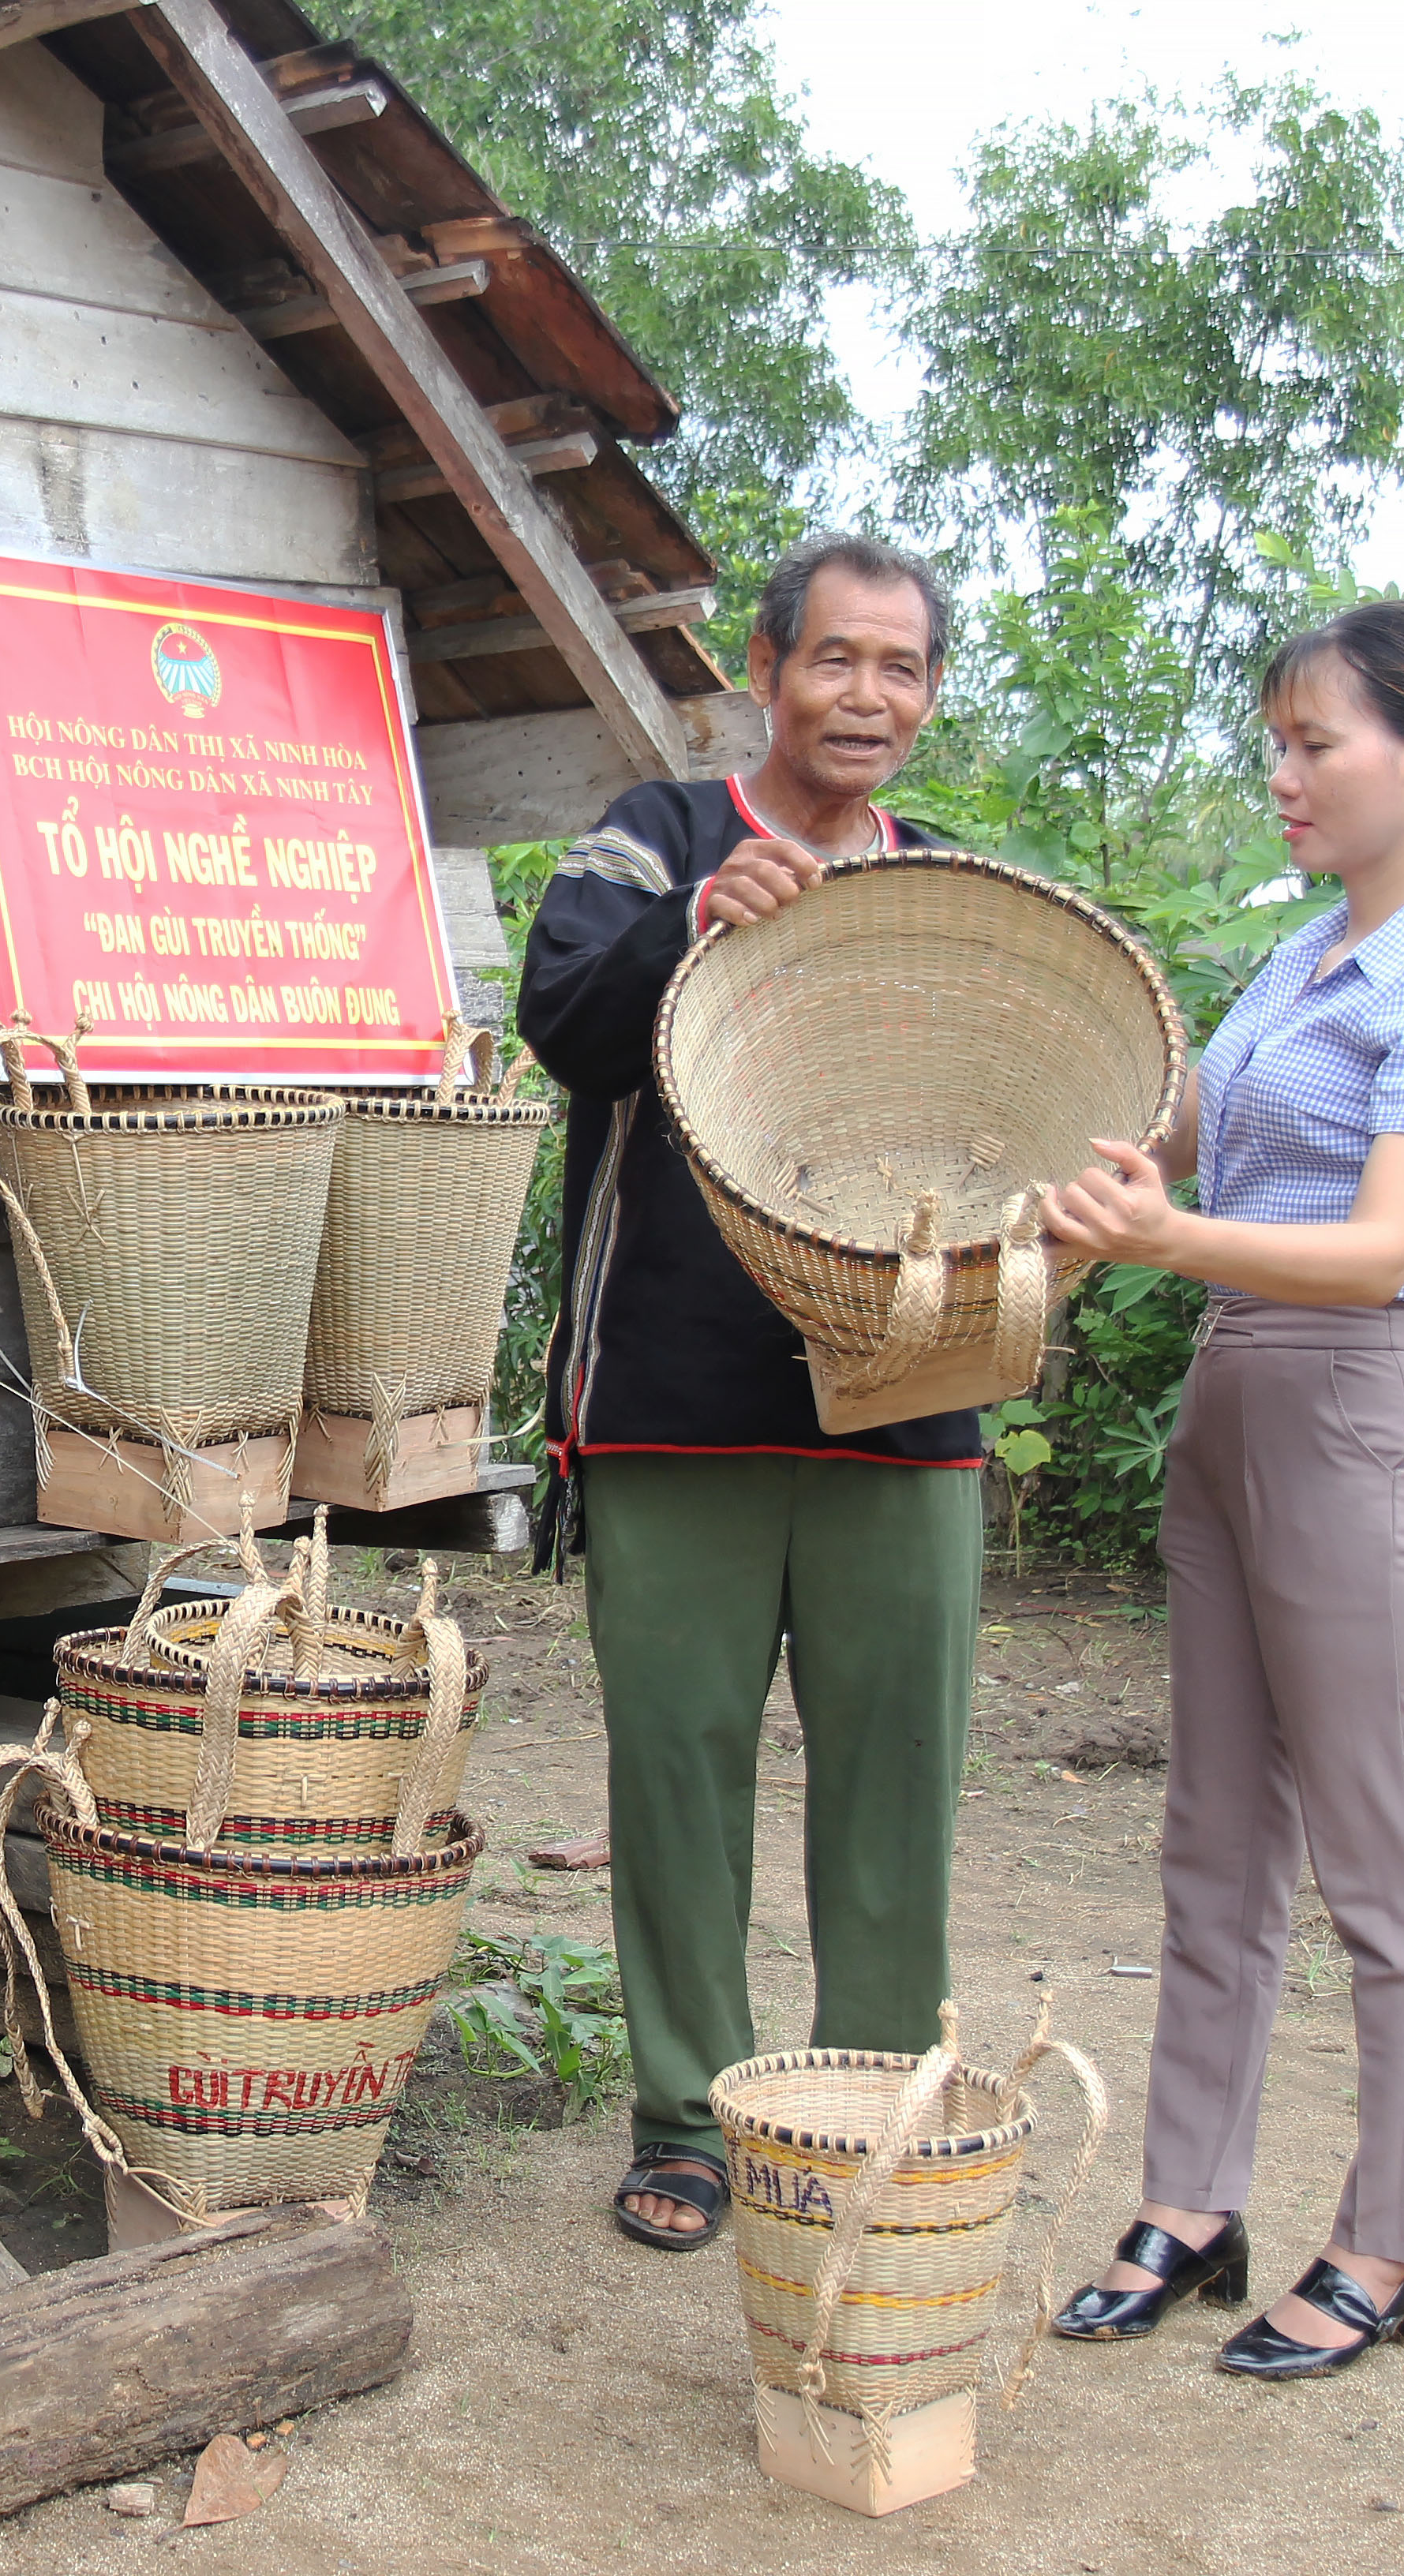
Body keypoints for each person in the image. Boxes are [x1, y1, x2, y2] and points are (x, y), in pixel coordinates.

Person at [1036, 599, 1404, 2377]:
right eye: (1274, 742)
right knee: (1216, 1837)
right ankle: (1191, 2203)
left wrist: (1163, 1237)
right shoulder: (1310, 952)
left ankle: (1389, 2244)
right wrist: (1064, 1140)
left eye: (1312, 742)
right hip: (1238, 1403)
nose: (1281, 773)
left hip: (1370, 1408)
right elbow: (1179, 1128)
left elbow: (1387, 1246)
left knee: (1383, 1860)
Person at [516, 532, 990, 2249]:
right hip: (674, 1397)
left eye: (903, 667)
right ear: (764, 672)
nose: (869, 695)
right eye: (836, 658)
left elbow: (1011, 1112)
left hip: (905, 1402)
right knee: (680, 1769)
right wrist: (689, 929)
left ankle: (874, 2113)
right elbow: (563, 1022)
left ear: (929, 695)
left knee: (896, 1780)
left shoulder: (952, 892)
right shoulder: (657, 837)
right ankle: (687, 2121)